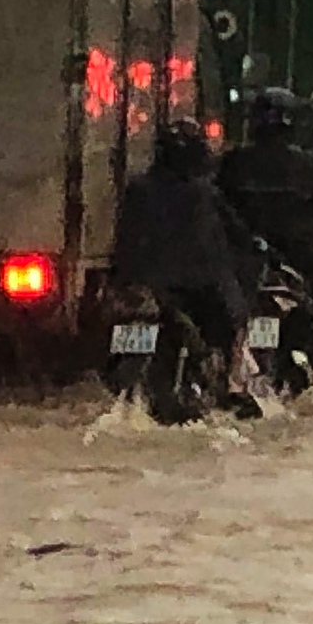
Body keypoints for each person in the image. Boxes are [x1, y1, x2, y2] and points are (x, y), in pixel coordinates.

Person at [112, 120, 261, 411]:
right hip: (192, 290)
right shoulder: (204, 194)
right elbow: (237, 234)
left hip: (143, 287)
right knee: (233, 320)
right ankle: (231, 383)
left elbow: (125, 239)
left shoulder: (138, 189)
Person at [218, 89, 313, 324]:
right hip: (291, 251)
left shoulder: (234, 160)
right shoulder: (307, 164)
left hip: (247, 251)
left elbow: (219, 205)